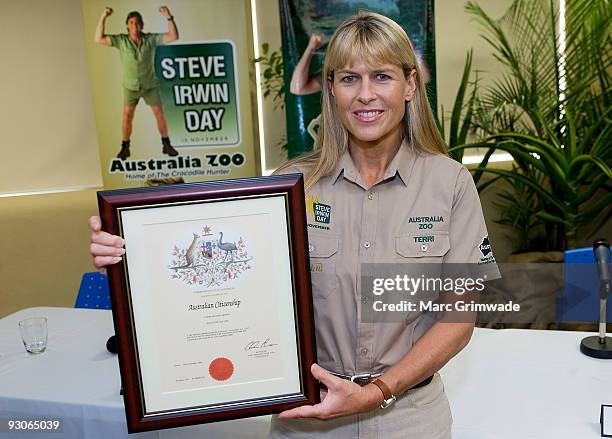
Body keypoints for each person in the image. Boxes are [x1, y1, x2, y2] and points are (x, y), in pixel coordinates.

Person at [89, 11, 500, 438]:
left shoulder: (450, 184)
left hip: (410, 416)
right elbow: (224, 282)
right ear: (331, 90)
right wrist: (130, 261)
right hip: (308, 417)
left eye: (381, 76)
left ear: (410, 85)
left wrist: (377, 391)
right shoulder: (287, 190)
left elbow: (457, 319)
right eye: (348, 79)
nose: (365, 95)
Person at [95, 6, 179, 160]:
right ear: (127, 25)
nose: (135, 25)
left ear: (142, 25)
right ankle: (125, 147)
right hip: (130, 87)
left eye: (138, 23)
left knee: (159, 114)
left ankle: (166, 144)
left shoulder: (150, 40)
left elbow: (173, 36)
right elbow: (98, 38)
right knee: (127, 116)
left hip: (150, 86)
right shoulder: (121, 41)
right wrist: (103, 17)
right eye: (132, 22)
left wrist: (168, 16)